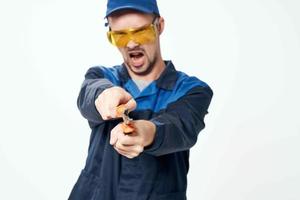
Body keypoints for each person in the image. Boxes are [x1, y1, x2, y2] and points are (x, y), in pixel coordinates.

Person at [68, 0, 213, 199]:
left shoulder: (193, 90)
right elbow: (89, 93)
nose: (131, 43)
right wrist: (103, 96)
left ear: (159, 26)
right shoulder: (102, 77)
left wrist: (147, 132)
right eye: (120, 35)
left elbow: (179, 127)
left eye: (141, 31)